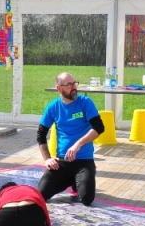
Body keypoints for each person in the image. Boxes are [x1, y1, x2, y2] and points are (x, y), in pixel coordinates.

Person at [37, 72, 105, 206]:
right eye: (69, 85)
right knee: (41, 194)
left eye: (74, 83)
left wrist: (78, 144)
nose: (74, 87)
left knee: (86, 199)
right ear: (59, 88)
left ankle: (80, 178)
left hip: (84, 160)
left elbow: (99, 127)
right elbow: (41, 134)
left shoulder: (85, 102)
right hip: (62, 161)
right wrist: (47, 159)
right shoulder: (53, 107)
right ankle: (71, 179)